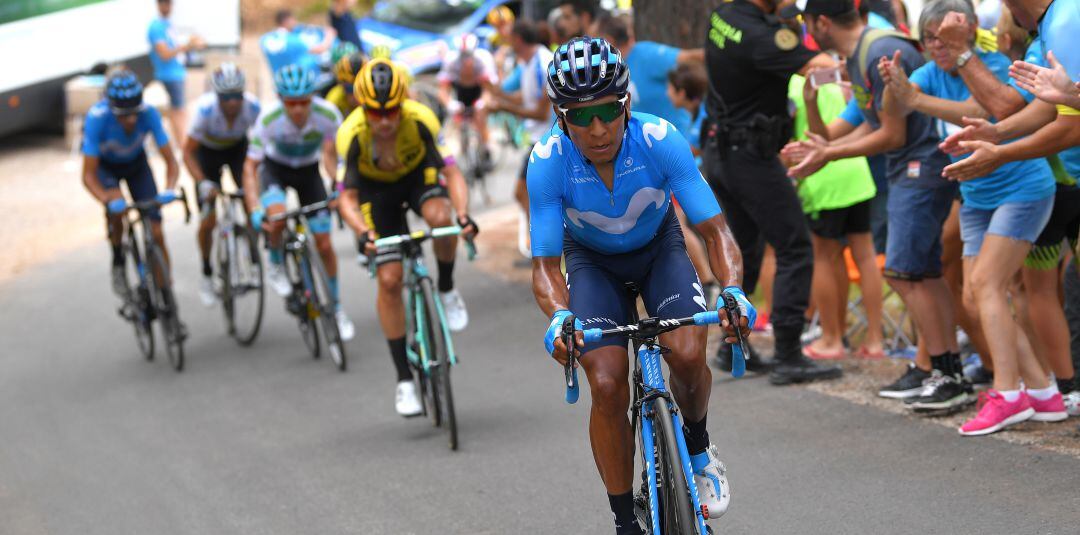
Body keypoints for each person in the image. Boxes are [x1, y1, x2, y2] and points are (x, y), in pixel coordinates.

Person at [529, 36, 746, 535]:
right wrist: (560, 317)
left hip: (659, 252)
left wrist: (732, 290)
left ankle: (696, 444)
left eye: (607, 111)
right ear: (562, 118)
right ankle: (625, 519)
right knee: (605, 384)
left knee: (689, 356)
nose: (598, 129)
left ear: (626, 103)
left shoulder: (659, 139)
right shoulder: (546, 162)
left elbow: (716, 231)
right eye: (580, 117)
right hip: (592, 265)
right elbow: (544, 266)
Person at [879, 0, 1066, 433]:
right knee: (974, 297)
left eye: (943, 40)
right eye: (928, 41)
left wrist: (917, 96)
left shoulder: (993, 64)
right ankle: (1042, 391)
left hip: (1022, 188)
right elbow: (900, 109)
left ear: (963, 38)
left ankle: (1008, 393)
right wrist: (895, 83)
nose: (935, 49)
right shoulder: (928, 72)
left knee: (985, 285)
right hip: (978, 195)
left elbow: (987, 111)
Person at [784, 0, 974, 408]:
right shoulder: (860, 55)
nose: (806, 36)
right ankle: (941, 369)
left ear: (821, 22)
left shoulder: (879, 51)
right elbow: (833, 134)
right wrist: (814, 103)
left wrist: (828, 156)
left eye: (806, 26)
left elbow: (892, 135)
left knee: (906, 272)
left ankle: (946, 372)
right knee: (919, 272)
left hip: (921, 167)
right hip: (909, 169)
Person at [935, 4, 1080, 415]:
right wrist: (996, 135)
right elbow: (1053, 107)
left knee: (1022, 289)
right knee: (1018, 289)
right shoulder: (1050, 25)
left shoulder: (1068, 18)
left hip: (1042, 185)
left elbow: (1069, 123)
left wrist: (999, 152)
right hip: (1057, 181)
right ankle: (1048, 389)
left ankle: (1036, 391)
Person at [701, 0, 842, 384]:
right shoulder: (762, 37)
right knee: (794, 246)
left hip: (721, 150)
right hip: (750, 156)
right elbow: (820, 67)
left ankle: (733, 345)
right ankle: (789, 353)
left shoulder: (723, 16)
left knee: (744, 251)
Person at [337, 58, 476, 416]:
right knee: (389, 279)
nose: (384, 121)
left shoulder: (421, 120)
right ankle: (403, 380)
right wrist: (364, 233)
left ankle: (445, 287)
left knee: (441, 217)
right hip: (375, 195)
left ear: (403, 104)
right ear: (361, 108)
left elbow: (453, 174)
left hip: (417, 178)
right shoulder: (351, 134)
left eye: (392, 111)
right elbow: (347, 198)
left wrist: (462, 215)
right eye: (375, 113)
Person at [243, 65, 354, 340]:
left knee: (325, 244)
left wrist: (340, 188)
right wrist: (255, 208)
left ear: (312, 99)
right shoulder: (268, 119)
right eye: (291, 103)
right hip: (275, 171)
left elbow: (340, 156)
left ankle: (337, 308)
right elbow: (250, 168)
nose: (298, 110)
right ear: (281, 100)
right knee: (278, 217)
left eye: (304, 102)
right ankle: (275, 259)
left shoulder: (328, 114)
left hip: (308, 172)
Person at [789, 73, 884, 360]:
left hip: (824, 177)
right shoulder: (833, 80)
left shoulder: (791, 85)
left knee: (824, 257)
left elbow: (789, 135)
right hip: (856, 171)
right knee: (864, 255)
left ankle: (831, 339)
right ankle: (875, 340)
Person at [81, 70, 181, 297]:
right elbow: (88, 175)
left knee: (156, 232)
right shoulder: (97, 118)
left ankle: (166, 293)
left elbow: (171, 162)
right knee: (118, 208)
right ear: (111, 109)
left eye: (134, 113)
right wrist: (105, 199)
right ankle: (118, 256)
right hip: (107, 168)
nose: (131, 120)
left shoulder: (150, 113)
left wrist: (169, 189)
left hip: (137, 165)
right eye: (124, 115)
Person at [181, 63, 261, 307]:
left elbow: (261, 144)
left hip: (238, 150)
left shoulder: (253, 106)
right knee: (208, 221)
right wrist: (202, 182)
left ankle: (253, 257)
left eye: (236, 96)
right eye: (226, 98)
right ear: (217, 96)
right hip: (207, 155)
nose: (232, 103)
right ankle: (207, 272)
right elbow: (187, 153)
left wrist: (256, 183)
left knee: (252, 203)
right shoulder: (205, 111)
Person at [484, 21, 555, 256]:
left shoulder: (543, 63)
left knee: (523, 190)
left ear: (518, 39)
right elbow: (524, 98)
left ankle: (545, 243)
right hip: (538, 137)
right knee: (524, 191)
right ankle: (543, 240)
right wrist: (498, 95)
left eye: (510, 38)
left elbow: (540, 112)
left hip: (547, 137)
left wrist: (502, 106)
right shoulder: (528, 63)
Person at [594, 13, 704, 134]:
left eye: (596, 41)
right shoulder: (609, 68)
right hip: (645, 145)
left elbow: (692, 57)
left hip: (676, 139)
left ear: (609, 40)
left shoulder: (647, 55)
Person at [437, 34, 498, 167]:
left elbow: (488, 90)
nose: (466, 59)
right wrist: (450, 103)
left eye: (468, 54)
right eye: (462, 55)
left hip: (479, 89)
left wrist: (482, 103)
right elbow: (442, 90)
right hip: (460, 90)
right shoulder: (451, 61)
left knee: (480, 117)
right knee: (459, 119)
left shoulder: (483, 59)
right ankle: (464, 149)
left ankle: (486, 149)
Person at [148, 0, 204, 144]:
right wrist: (186, 46)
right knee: (178, 111)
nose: (167, 7)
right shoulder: (156, 27)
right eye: (164, 3)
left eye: (169, 3)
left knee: (178, 110)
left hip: (177, 73)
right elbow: (164, 54)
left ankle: (181, 143)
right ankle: (183, 144)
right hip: (168, 75)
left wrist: (191, 45)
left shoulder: (168, 24)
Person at [260, 9, 337, 75]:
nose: (295, 23)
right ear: (286, 21)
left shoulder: (265, 38)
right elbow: (319, 49)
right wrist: (329, 36)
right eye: (293, 19)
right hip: (296, 80)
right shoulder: (292, 39)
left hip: (279, 82)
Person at [326, 52, 366, 117]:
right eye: (349, 89)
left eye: (361, 89)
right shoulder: (333, 100)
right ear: (340, 84)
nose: (355, 96)